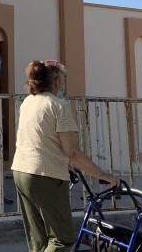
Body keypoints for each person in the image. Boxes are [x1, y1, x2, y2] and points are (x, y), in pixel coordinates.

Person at [12, 60, 118, 252]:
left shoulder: (27, 102)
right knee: (62, 240)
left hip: (21, 171)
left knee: (38, 239)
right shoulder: (59, 106)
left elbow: (42, 139)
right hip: (45, 175)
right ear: (57, 81)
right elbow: (72, 152)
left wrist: (65, 162)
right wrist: (103, 175)